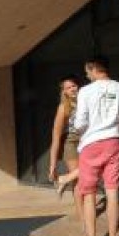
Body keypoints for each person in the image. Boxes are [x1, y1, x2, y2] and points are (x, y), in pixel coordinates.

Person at [73, 56, 119, 236]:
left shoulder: (85, 91)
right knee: (112, 192)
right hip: (114, 143)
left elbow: (79, 123)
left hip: (91, 146)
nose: (86, 74)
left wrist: (84, 128)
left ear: (93, 69)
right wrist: (116, 123)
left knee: (89, 194)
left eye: (87, 71)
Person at [48, 75, 84, 221]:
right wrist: (52, 165)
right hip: (72, 144)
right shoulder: (63, 108)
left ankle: (64, 179)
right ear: (64, 91)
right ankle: (83, 217)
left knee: (90, 171)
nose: (72, 89)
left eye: (74, 86)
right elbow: (56, 137)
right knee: (79, 181)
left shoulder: (87, 100)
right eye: (68, 88)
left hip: (88, 141)